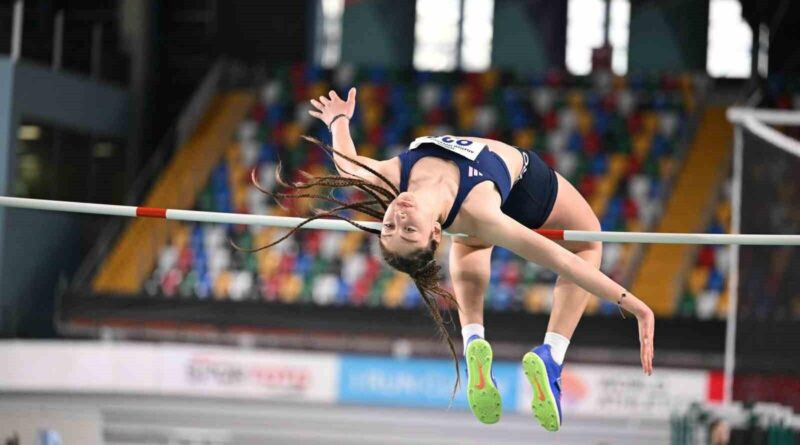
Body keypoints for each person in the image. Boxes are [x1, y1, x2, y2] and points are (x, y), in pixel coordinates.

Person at [256, 88, 655, 431]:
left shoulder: (390, 182)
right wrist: (635, 306)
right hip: (524, 187)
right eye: (407, 230)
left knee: (470, 241)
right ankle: (551, 355)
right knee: (588, 243)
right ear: (432, 234)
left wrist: (339, 120)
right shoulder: (482, 212)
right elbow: (565, 263)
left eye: (389, 227)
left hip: (472, 210)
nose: (398, 218)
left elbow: (346, 165)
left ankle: (474, 340)